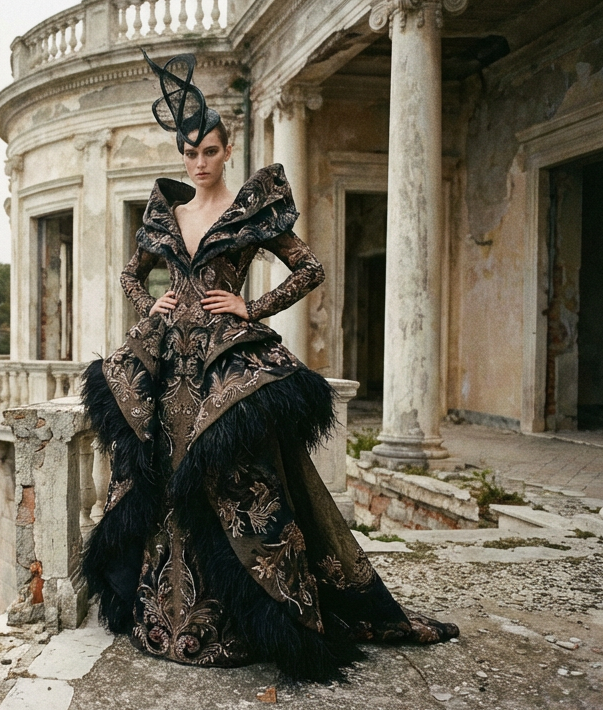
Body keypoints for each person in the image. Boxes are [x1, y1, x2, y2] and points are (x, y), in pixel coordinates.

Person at [80, 52, 458, 682]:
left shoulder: (250, 210)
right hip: (170, 370)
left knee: (234, 484)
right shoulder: (168, 213)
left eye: (209, 151)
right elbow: (129, 274)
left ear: (228, 150)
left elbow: (309, 269)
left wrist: (249, 307)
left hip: (224, 369)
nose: (198, 163)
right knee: (166, 483)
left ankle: (245, 619)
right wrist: (153, 304)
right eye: (189, 153)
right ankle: (170, 619)